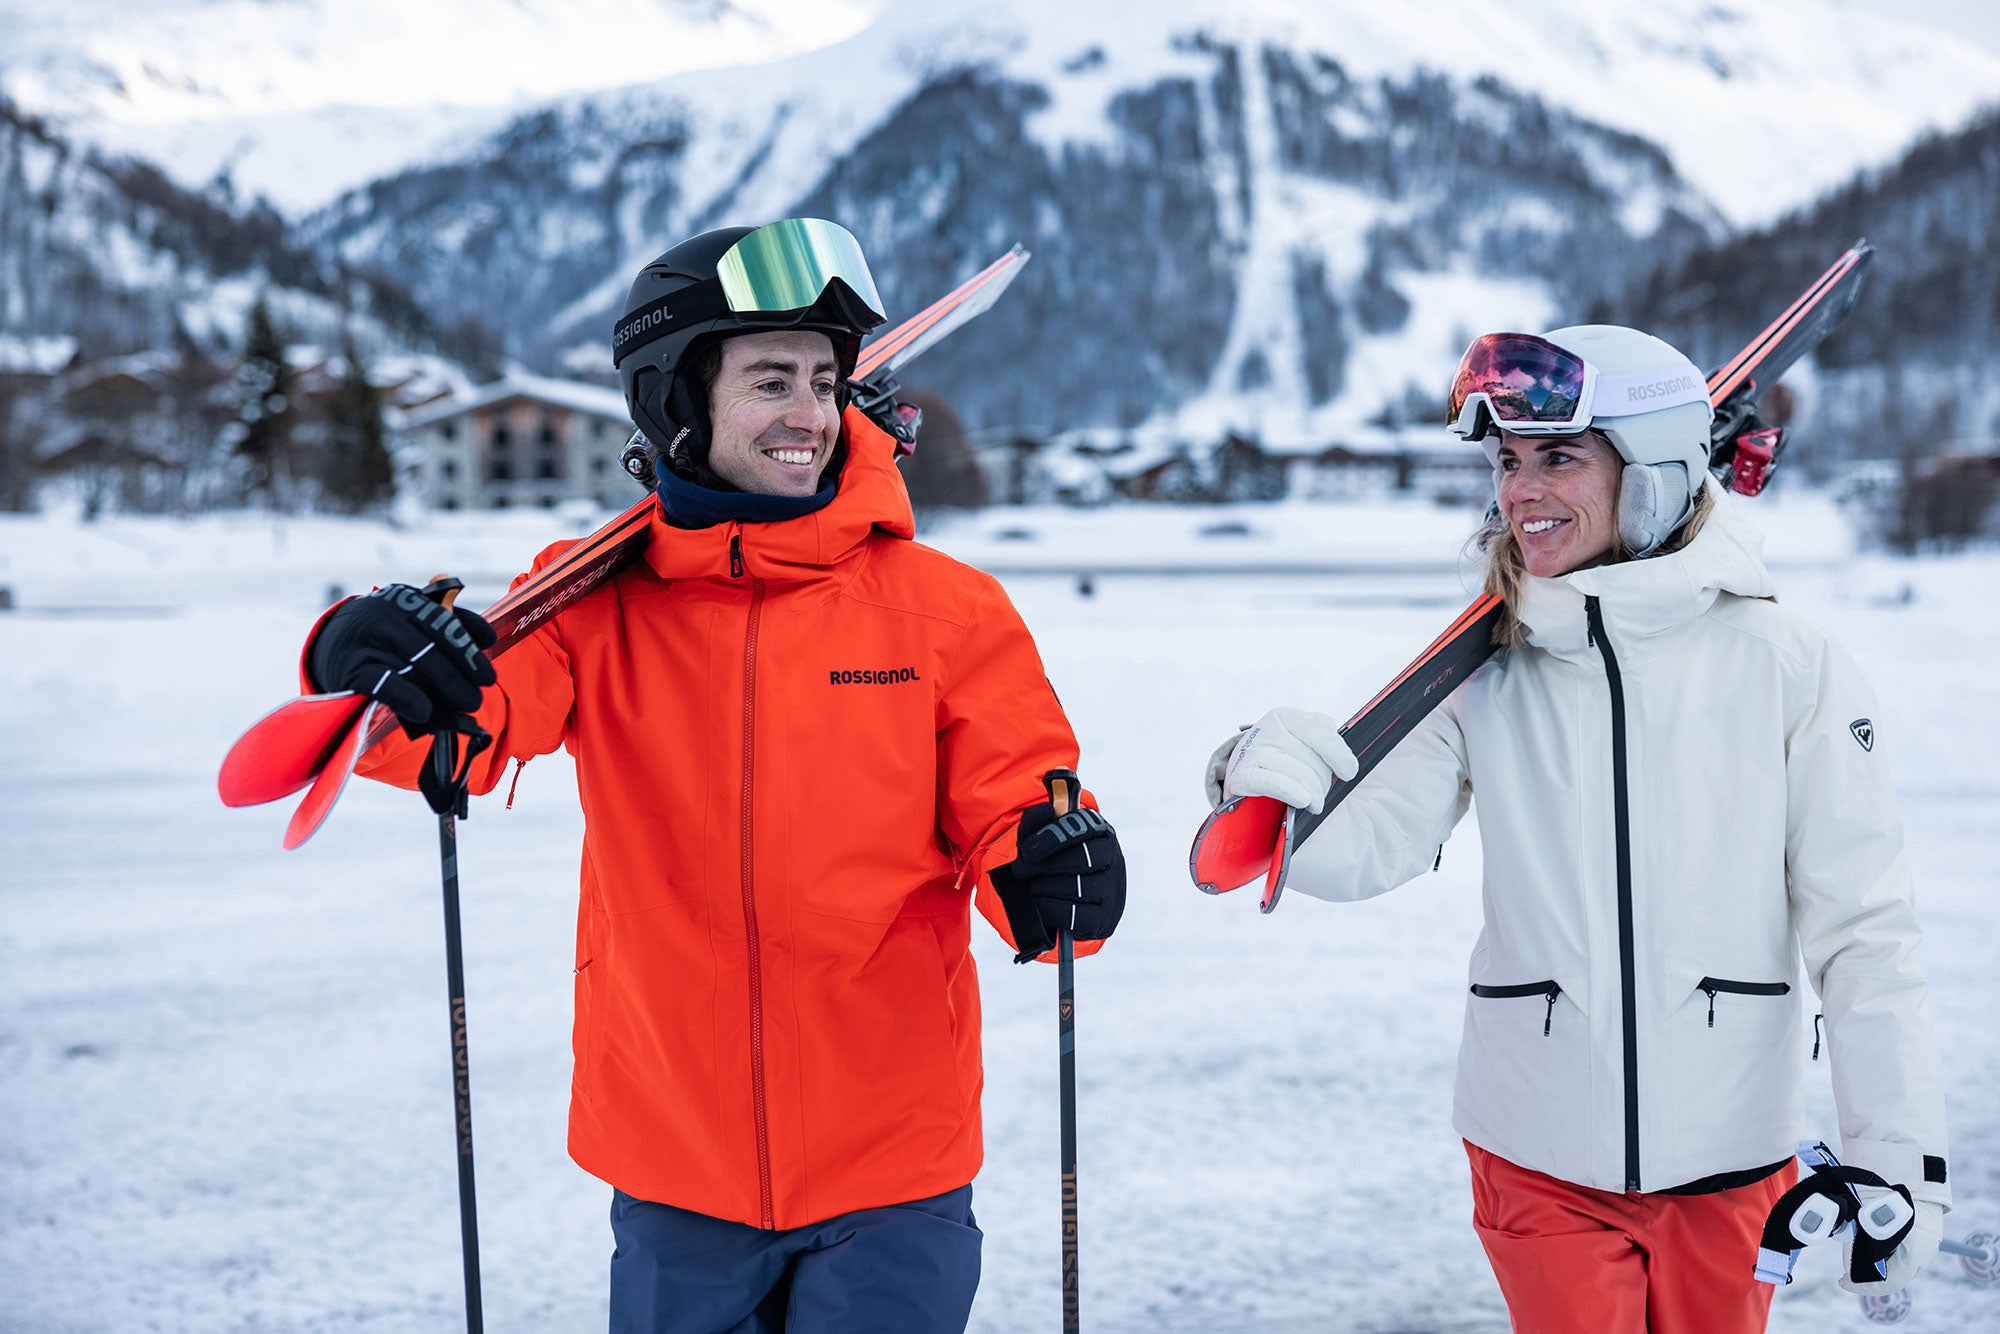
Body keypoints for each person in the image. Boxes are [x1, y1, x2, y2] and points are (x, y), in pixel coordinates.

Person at [300, 218, 1126, 1333]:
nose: (809, 412)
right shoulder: (589, 601)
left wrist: (1047, 859)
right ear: (676, 398)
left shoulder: (942, 609)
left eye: (827, 380)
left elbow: (1017, 790)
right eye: (770, 378)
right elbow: (458, 730)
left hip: (893, 1161)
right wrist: (375, 661)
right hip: (674, 1159)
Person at [1203, 325, 1950, 1333]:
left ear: (1648, 469)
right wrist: (1267, 779)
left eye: (1556, 455)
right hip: (1533, 1152)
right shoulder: (1483, 667)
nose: (1518, 490)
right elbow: (1363, 845)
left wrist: (1900, 1163)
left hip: (1729, 1158)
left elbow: (1864, 932)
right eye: (1505, 460)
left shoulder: (1786, 665)